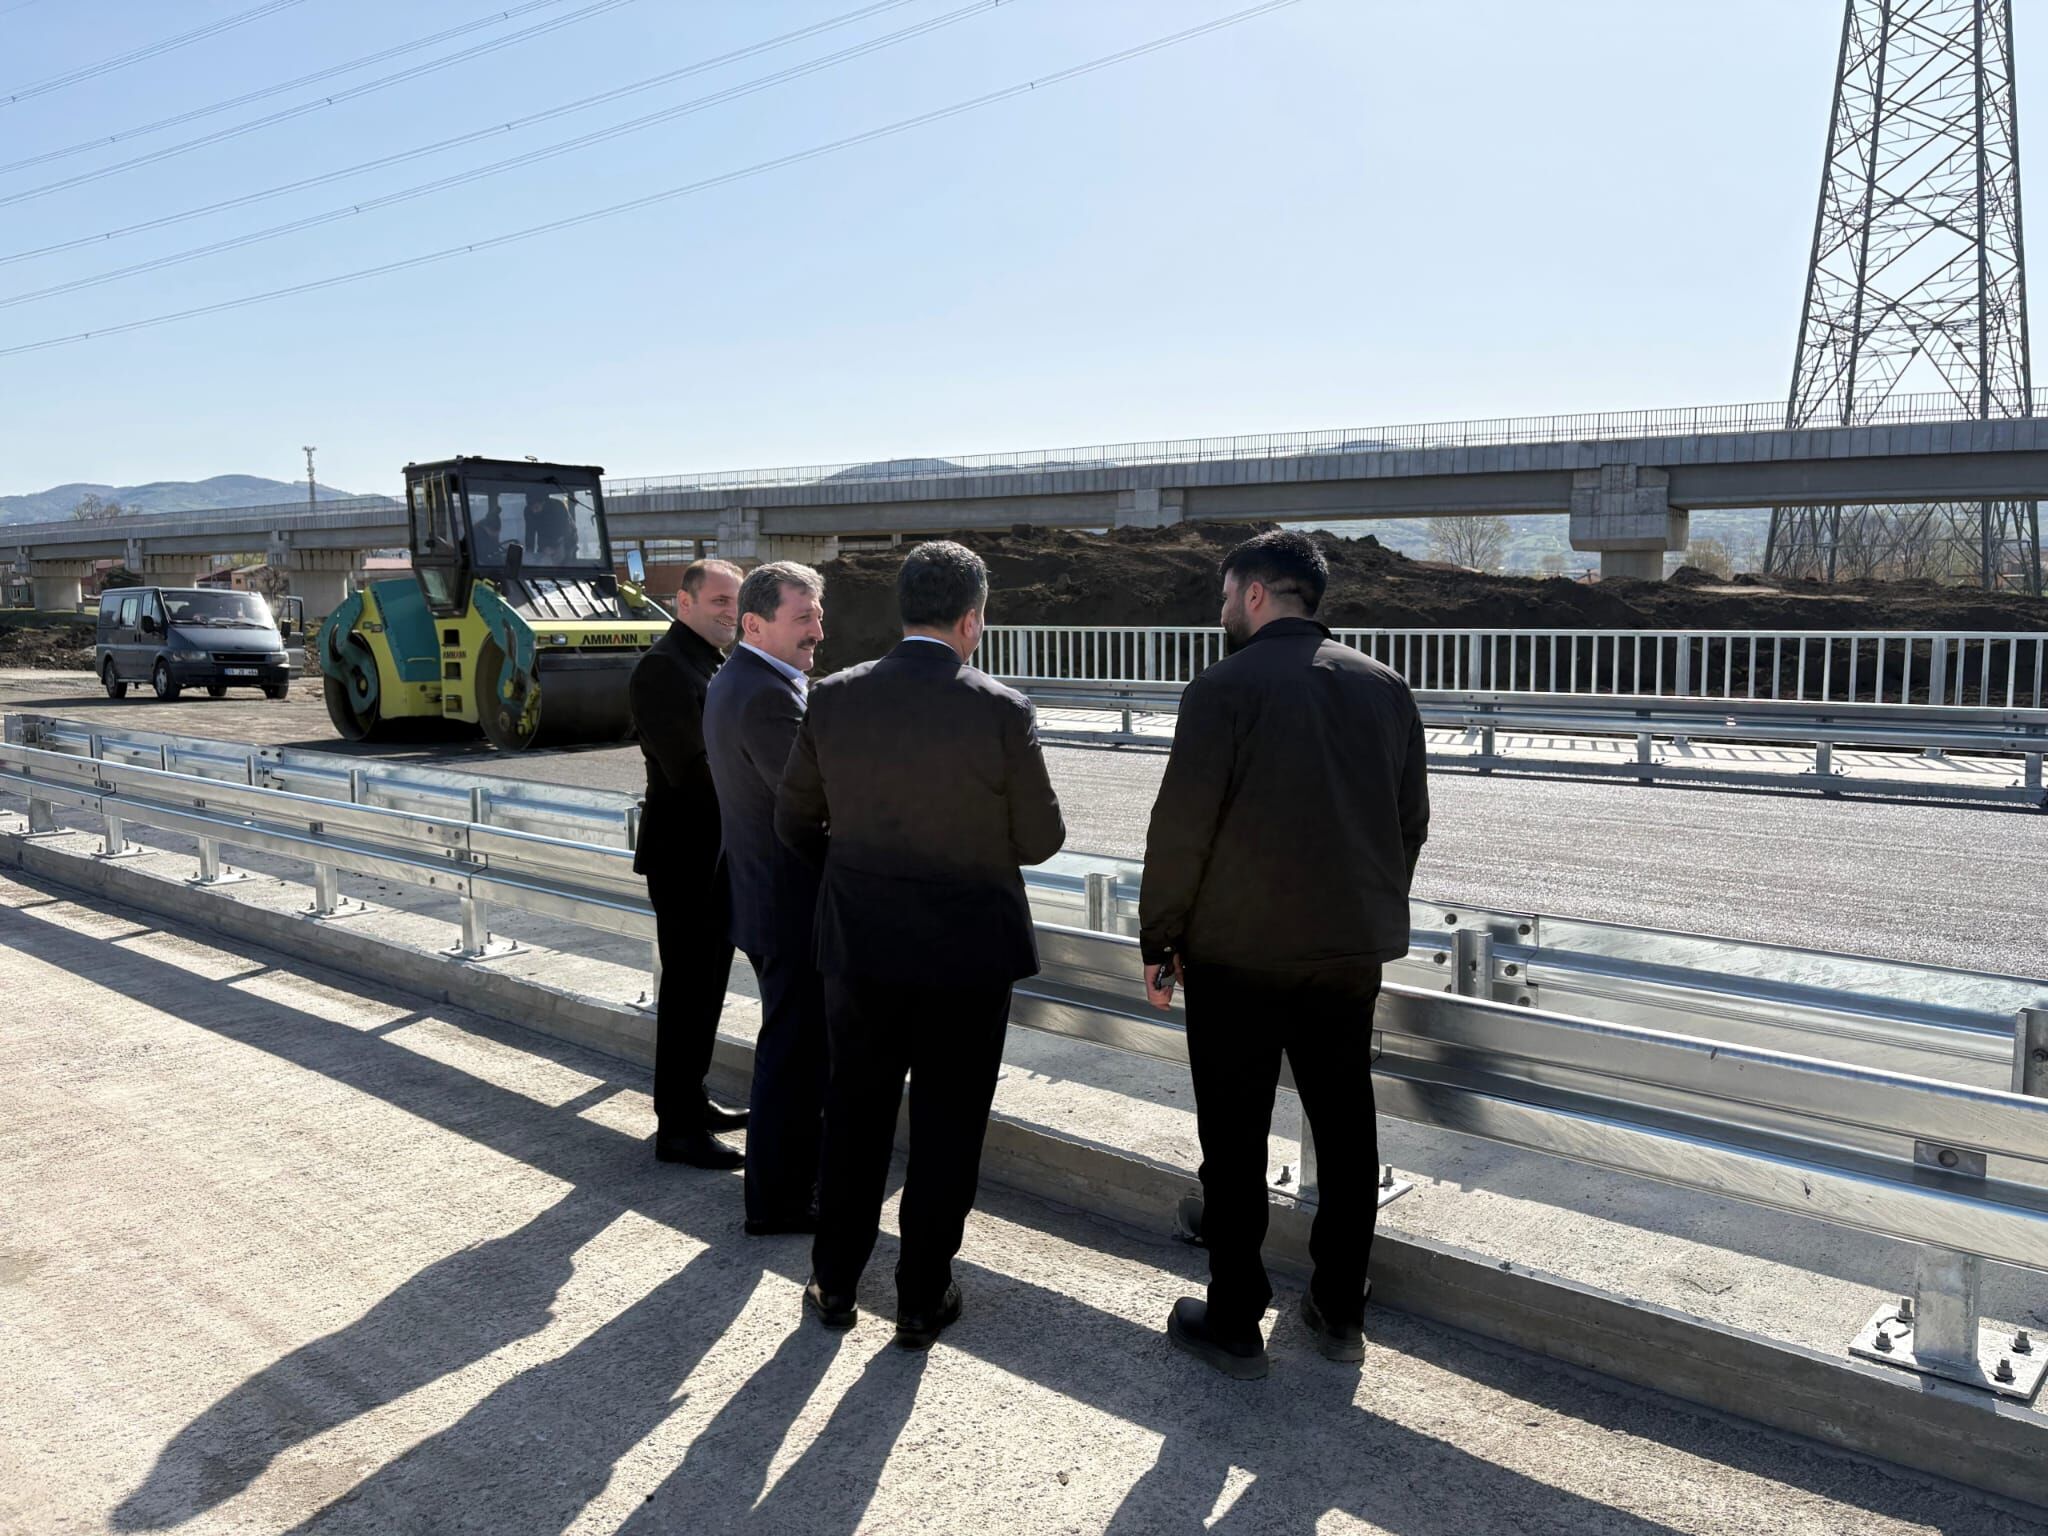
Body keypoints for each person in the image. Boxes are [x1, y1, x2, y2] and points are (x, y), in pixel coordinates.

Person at [1138, 529, 1429, 1379]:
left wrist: (1162, 938)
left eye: (1228, 593)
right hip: (1347, 953)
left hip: (1236, 955)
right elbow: (1408, 822)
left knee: (1233, 1134)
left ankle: (1235, 1315)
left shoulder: (1222, 687)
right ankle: (1339, 1307)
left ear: (1256, 593)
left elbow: (1181, 829)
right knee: (1345, 1129)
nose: (1223, 608)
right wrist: (1362, 905)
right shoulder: (1385, 687)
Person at [775, 540, 1065, 1350]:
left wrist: (854, 874)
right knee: (948, 1125)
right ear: (972, 618)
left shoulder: (832, 697)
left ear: (906, 610)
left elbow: (793, 822)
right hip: (969, 958)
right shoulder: (1001, 709)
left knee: (856, 1113)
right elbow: (1041, 839)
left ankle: (834, 1281)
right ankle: (920, 1295)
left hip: (861, 946)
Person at [703, 562, 830, 1236]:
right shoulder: (765, 695)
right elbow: (810, 804)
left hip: (765, 899)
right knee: (794, 1059)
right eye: (802, 617)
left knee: (794, 1051)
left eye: (817, 613)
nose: (818, 629)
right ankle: (779, 1202)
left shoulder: (747, 681)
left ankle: (785, 1188)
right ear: (755, 624)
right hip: (789, 906)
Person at [629, 558, 749, 1170]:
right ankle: (675, 1128)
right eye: (718, 601)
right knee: (687, 993)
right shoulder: (663, 670)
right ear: (684, 603)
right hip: (685, 859)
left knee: (707, 991)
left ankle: (691, 1100)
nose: (729, 611)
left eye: (736, 601)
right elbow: (692, 774)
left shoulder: (710, 662)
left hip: (715, 857)